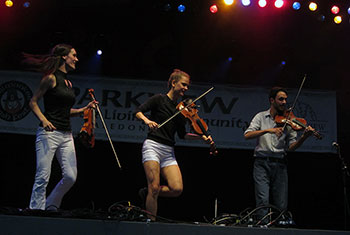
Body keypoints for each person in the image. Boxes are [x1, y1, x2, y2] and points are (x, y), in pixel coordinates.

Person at [135, 69, 215, 221]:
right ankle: (149, 223)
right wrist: (148, 121)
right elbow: (138, 111)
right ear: (173, 83)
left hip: (168, 150)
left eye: (187, 86)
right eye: (183, 85)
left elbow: (182, 135)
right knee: (154, 186)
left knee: (177, 188)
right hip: (153, 146)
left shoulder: (181, 110)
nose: (186, 88)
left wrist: (201, 137)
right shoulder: (159, 99)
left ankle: (147, 192)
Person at [24, 44, 96, 210]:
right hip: (49, 133)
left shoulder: (68, 83)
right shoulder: (51, 78)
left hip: (66, 134)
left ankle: (50, 204)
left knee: (71, 176)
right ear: (65, 57)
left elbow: (65, 111)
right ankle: (36, 210)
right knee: (42, 175)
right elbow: (33, 102)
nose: (76, 59)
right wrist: (43, 119)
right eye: (74, 55)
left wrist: (84, 109)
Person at [244, 87, 315, 225]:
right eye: (280, 99)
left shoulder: (288, 121)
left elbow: (291, 147)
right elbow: (247, 135)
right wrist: (269, 130)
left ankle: (279, 228)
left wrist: (304, 137)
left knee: (281, 203)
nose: (284, 102)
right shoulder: (260, 117)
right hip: (261, 162)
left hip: (280, 163)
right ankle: (263, 226)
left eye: (285, 99)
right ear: (272, 100)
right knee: (263, 200)